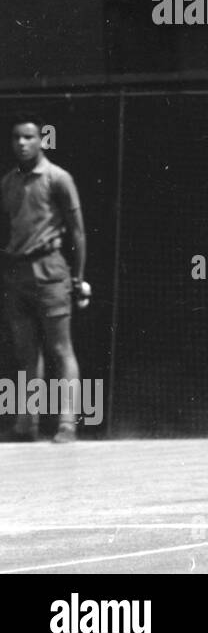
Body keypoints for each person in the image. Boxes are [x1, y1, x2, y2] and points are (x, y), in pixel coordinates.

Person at [1, 115, 90, 443]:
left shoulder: (58, 178)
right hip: (17, 274)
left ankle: (67, 424)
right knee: (25, 351)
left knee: (60, 347)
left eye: (28, 137)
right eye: (16, 138)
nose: (22, 143)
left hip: (51, 272)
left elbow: (78, 232)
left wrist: (78, 277)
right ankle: (27, 424)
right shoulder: (8, 182)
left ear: (42, 140)